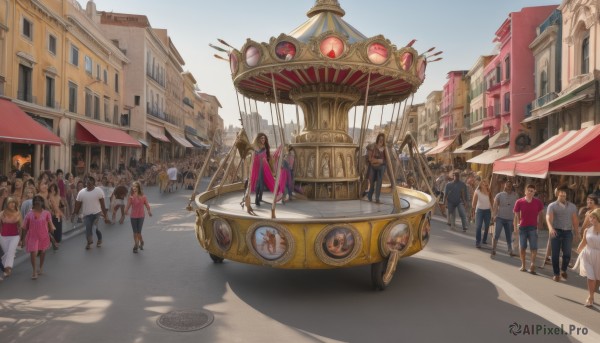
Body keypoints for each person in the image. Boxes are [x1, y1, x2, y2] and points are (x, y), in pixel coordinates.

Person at [546, 187, 579, 282]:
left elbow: (575, 220)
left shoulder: (572, 206)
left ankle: (563, 270)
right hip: (556, 231)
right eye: (561, 195)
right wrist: (550, 228)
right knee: (555, 254)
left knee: (567, 254)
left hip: (568, 232)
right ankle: (556, 274)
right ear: (557, 195)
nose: (563, 197)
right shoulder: (552, 206)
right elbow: (548, 218)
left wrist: (576, 232)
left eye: (564, 195)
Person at [514, 184, 544, 275]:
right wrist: (516, 226)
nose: (530, 192)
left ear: (534, 192)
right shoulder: (519, 201)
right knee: (522, 247)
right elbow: (516, 214)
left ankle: (532, 264)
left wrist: (540, 224)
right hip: (522, 227)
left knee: (533, 247)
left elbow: (541, 213)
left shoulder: (538, 202)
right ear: (525, 191)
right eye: (529, 190)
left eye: (532, 190)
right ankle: (523, 265)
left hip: (533, 227)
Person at [72, 176, 110, 250]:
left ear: (93, 182)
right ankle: (89, 242)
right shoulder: (81, 192)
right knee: (88, 228)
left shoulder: (98, 191)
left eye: (89, 181)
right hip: (86, 215)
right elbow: (77, 205)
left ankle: (97, 239)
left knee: (95, 227)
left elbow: (102, 204)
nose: (88, 182)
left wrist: (105, 216)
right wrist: (74, 214)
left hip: (97, 213)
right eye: (86, 181)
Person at [572, 208, 600, 307]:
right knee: (591, 277)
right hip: (587, 254)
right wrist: (578, 250)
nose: (591, 219)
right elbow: (584, 242)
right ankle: (590, 296)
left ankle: (592, 294)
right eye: (590, 217)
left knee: (597, 278)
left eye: (593, 218)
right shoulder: (587, 230)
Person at [22, 195, 54, 279]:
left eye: (39, 200)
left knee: (43, 252)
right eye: (35, 200)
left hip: (43, 236)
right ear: (33, 203)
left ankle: (41, 267)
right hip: (32, 236)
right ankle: (34, 271)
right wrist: (22, 239)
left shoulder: (47, 213)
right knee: (33, 253)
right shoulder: (29, 214)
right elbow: (24, 227)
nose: (37, 202)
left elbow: (50, 223)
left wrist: (51, 229)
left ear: (42, 202)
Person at [491, 180, 518, 257]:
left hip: (510, 218)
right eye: (507, 184)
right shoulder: (499, 195)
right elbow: (495, 206)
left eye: (510, 185)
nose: (508, 186)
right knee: (496, 234)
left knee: (509, 235)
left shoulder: (515, 195)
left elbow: (518, 207)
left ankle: (510, 250)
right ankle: (493, 249)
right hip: (500, 217)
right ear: (504, 186)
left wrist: (516, 219)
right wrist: (494, 215)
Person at [124, 181, 152, 253]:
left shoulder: (143, 196)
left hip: (141, 216)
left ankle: (141, 241)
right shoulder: (131, 197)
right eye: (133, 186)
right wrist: (126, 211)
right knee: (135, 232)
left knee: (138, 232)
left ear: (139, 188)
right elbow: (128, 205)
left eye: (136, 186)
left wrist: (149, 211)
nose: (134, 188)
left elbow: (147, 205)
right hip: (133, 216)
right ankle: (136, 245)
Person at [250, 133, 276, 207]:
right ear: (258, 139)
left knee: (261, 184)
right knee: (258, 184)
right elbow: (255, 156)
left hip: (263, 166)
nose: (263, 140)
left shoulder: (264, 147)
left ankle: (259, 197)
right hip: (257, 167)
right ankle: (256, 199)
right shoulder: (256, 147)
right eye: (261, 138)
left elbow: (264, 157)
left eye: (264, 138)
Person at [1, 197, 23, 278]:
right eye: (10, 202)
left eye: (14, 202)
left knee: (10, 251)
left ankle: (7, 269)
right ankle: (6, 267)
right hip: (3, 236)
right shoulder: (2, 213)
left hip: (15, 236)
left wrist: (21, 239)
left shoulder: (18, 213)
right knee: (7, 253)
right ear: (7, 204)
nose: (12, 204)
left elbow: (21, 227)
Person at [472, 178, 493, 248]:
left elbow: (492, 201)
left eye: (486, 182)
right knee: (479, 226)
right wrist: (473, 212)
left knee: (487, 226)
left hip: (487, 211)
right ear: (481, 184)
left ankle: (484, 239)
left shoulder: (489, 191)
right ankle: (478, 242)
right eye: (484, 182)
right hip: (479, 211)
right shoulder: (477, 191)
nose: (485, 184)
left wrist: (493, 211)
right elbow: (474, 203)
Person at [367, 133, 387, 203]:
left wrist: (378, 161)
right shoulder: (373, 146)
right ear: (378, 139)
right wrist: (378, 160)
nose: (381, 140)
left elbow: (385, 160)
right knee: (371, 183)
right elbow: (371, 160)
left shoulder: (385, 149)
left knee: (379, 183)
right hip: (373, 167)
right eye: (380, 139)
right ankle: (369, 196)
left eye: (382, 139)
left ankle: (377, 198)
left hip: (381, 168)